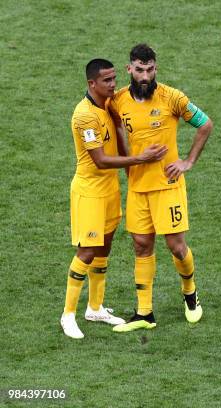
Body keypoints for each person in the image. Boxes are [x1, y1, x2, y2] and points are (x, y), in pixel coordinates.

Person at [109, 44, 213, 332]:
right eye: (139, 70)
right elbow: (117, 127)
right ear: (129, 69)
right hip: (138, 187)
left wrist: (187, 162)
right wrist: (128, 161)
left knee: (176, 247)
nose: (145, 76)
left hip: (168, 186)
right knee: (141, 246)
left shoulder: (172, 98)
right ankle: (144, 314)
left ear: (156, 69)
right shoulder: (118, 101)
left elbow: (205, 124)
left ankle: (190, 295)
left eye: (150, 69)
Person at [62, 59, 168, 339]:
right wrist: (139, 158)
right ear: (91, 84)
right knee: (86, 251)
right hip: (90, 193)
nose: (113, 85)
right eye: (107, 81)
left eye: (113, 79)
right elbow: (99, 160)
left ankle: (94, 308)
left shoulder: (108, 105)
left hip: (109, 190)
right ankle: (68, 315)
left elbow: (119, 137)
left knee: (104, 248)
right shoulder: (84, 115)